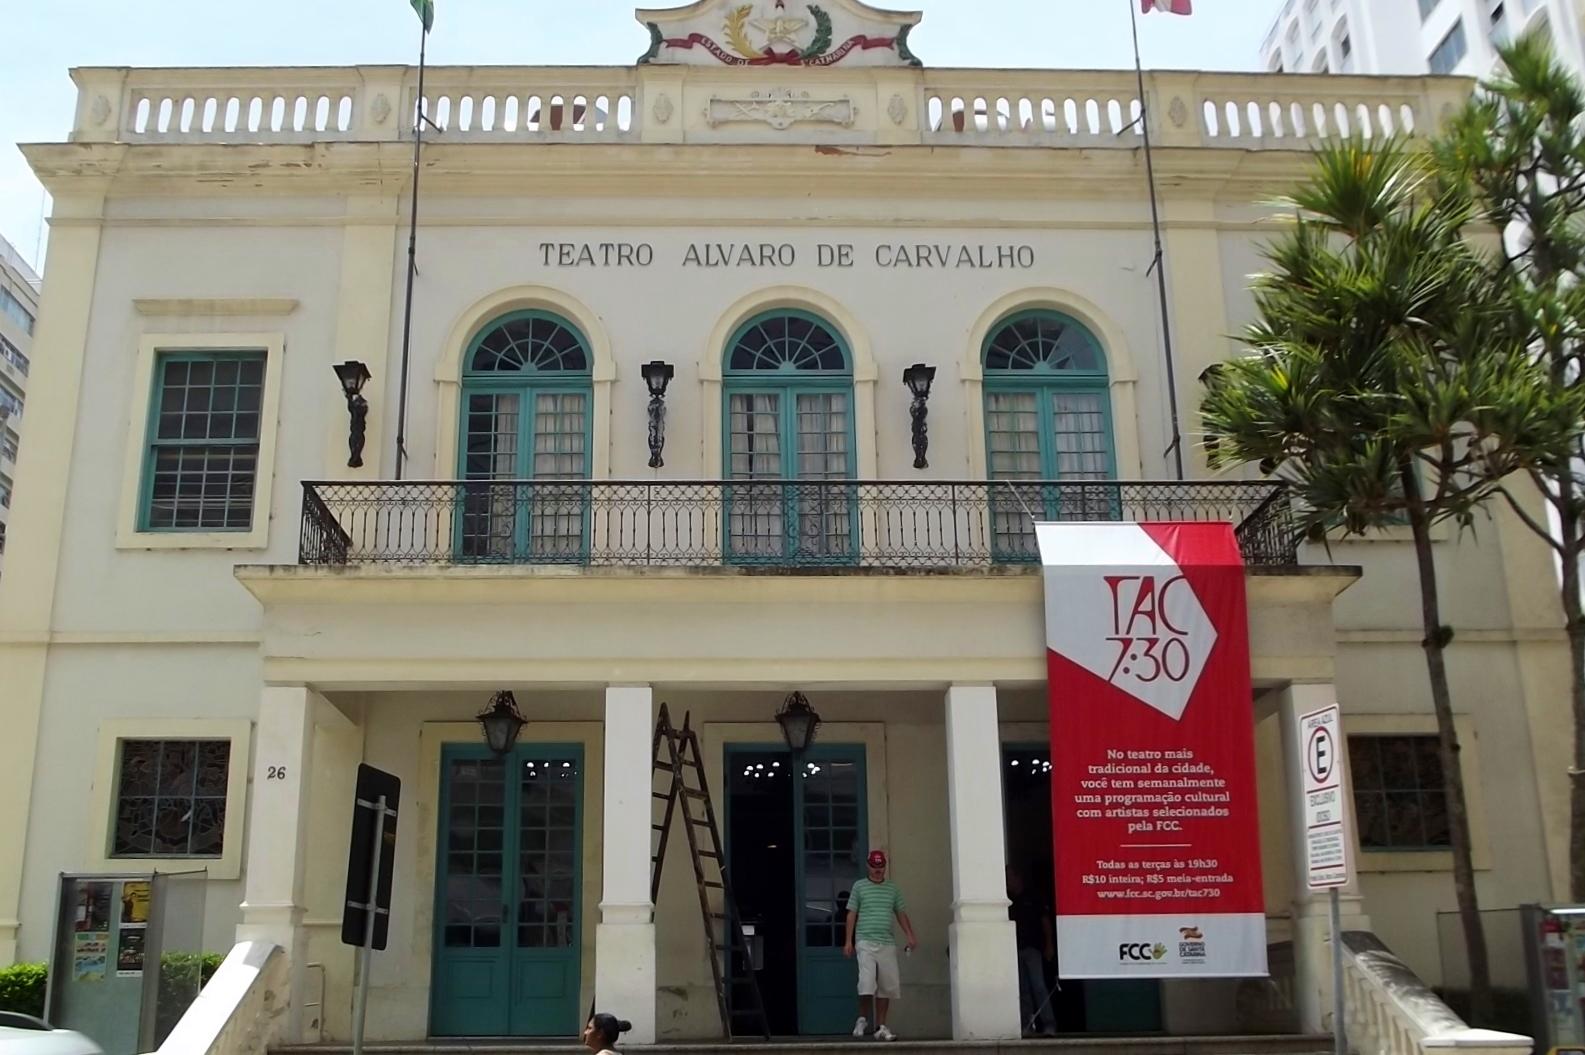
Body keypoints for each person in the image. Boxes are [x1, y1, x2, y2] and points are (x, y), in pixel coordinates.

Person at [843, 849, 918, 1042]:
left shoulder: (892, 888)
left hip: (887, 942)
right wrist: (848, 941)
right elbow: (851, 913)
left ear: (885, 866)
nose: (878, 870)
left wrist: (910, 935)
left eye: (881, 866)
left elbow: (901, 913)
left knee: (887, 986)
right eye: (875, 866)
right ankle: (862, 1019)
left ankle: (881, 1027)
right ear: (868, 866)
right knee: (867, 982)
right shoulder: (859, 886)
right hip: (865, 940)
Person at [1007, 865, 1058, 1036]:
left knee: (1039, 986)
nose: (1006, 881)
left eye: (1009, 877)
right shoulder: (1007, 900)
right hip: (1014, 950)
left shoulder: (1033, 896)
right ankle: (1027, 1025)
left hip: (1032, 949)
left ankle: (1049, 1024)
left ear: (1017, 877)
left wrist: (1049, 944)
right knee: (1023, 990)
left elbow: (1045, 922)